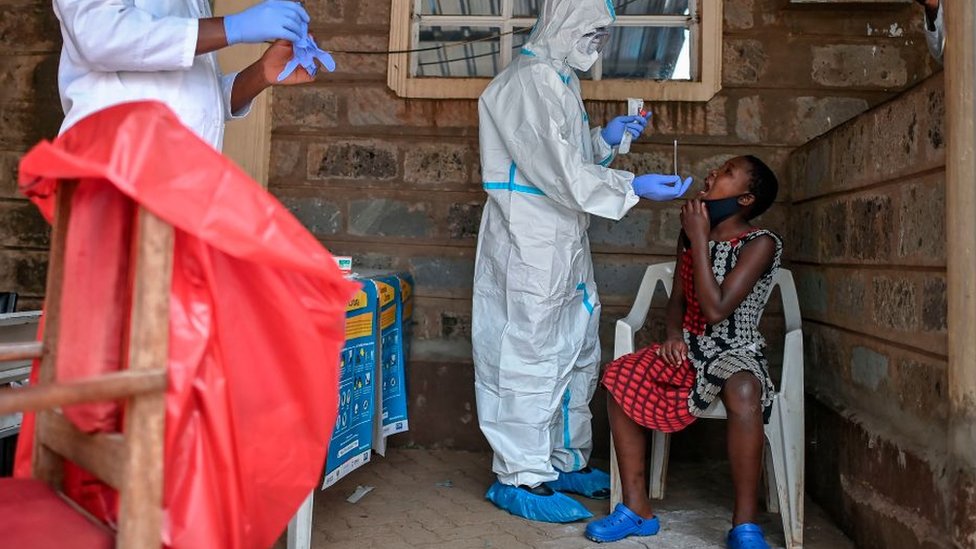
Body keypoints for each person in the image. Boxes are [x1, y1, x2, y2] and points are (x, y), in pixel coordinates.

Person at [473, 0, 694, 524]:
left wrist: (605, 141)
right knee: (527, 351)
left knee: (574, 347)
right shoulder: (530, 81)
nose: (599, 42)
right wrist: (632, 184)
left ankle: (560, 459)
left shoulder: (559, 80)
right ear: (564, 20)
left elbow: (565, 161)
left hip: (562, 234)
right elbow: (558, 174)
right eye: (592, 29)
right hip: (529, 237)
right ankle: (520, 474)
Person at [587, 155, 782, 548]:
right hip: (691, 349)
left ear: (746, 199)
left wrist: (698, 239)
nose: (712, 173)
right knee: (618, 376)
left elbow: (715, 309)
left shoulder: (760, 243)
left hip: (736, 348)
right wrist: (673, 333)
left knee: (745, 390)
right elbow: (678, 299)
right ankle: (636, 508)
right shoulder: (692, 237)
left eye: (726, 173)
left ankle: (745, 524)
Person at [54, 0, 321, 150]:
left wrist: (260, 74)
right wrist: (232, 27)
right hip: (117, 169)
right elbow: (102, 36)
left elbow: (193, 97)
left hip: (181, 182)